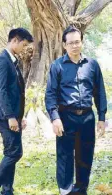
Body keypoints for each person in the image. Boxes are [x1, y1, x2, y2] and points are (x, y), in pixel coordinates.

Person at [45, 26, 106, 195]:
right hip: (65, 118)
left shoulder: (92, 65)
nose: (75, 46)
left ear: (82, 42)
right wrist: (55, 118)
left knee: (85, 157)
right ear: (64, 45)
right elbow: (50, 94)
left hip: (87, 118)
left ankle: (80, 190)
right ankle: (65, 191)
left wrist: (102, 117)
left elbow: (99, 92)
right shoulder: (57, 66)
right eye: (71, 43)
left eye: (77, 42)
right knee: (65, 158)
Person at [0, 28, 33, 195]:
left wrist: (20, 116)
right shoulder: (2, 61)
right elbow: (0, 91)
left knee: (10, 152)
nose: (25, 48)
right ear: (14, 41)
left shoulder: (13, 61)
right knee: (15, 152)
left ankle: (7, 190)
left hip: (13, 116)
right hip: (3, 116)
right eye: (24, 44)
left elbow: (15, 92)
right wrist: (10, 117)